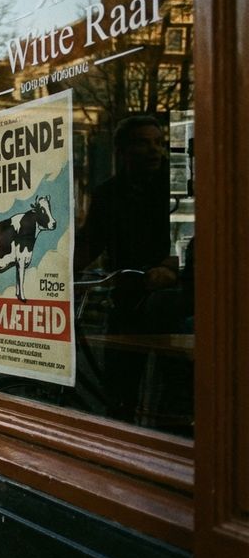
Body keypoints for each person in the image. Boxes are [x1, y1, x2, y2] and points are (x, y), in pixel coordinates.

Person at [74, 115, 191, 428]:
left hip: (170, 303)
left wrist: (172, 265)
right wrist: (57, 271)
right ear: (122, 152)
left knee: (174, 391)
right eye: (144, 143)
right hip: (126, 299)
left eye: (159, 143)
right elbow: (89, 243)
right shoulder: (108, 194)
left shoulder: (175, 188)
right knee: (118, 391)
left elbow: (190, 235)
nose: (155, 151)